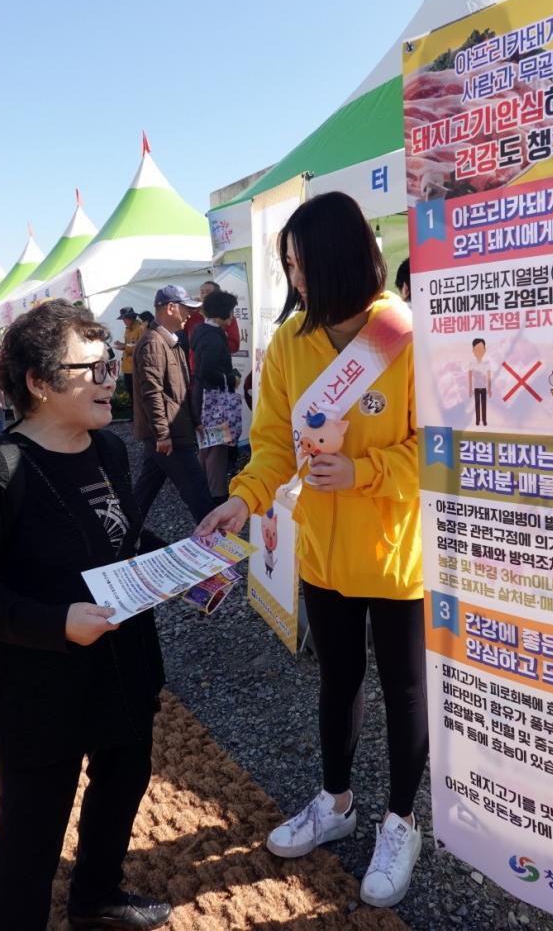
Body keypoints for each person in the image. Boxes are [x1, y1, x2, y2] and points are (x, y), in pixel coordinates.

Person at [196, 191, 427, 909]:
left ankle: (401, 821)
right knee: (337, 680)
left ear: (333, 261)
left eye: (297, 266)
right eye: (287, 266)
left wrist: (365, 471)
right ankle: (336, 802)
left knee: (405, 689)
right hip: (322, 556)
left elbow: (444, 450)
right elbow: (271, 444)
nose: (293, 280)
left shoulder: (408, 335)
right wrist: (245, 496)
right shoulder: (291, 343)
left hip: (396, 557)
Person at [0, 299, 170, 931]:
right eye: (90, 367)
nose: (109, 379)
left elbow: (121, 541)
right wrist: (58, 623)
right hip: (41, 687)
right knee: (30, 836)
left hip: (124, 665)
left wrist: (191, 563)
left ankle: (96, 894)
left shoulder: (109, 450)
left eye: (110, 362)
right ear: (38, 382)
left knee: (121, 786)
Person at [132, 284, 213, 525]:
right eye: (186, 309)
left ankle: (122, 538)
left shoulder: (169, 341)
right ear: (170, 307)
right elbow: (151, 392)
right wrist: (163, 433)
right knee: (197, 490)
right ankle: (218, 546)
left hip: (171, 432)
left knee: (145, 492)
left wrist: (195, 421)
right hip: (170, 435)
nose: (189, 315)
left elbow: (180, 390)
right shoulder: (154, 343)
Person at [190, 289, 240, 509]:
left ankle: (202, 489)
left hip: (203, 397)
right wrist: (231, 379)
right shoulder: (213, 337)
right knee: (217, 448)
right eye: (230, 311)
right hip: (214, 400)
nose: (232, 316)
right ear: (222, 312)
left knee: (206, 446)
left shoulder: (201, 332)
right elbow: (208, 370)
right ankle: (216, 495)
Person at [113, 307, 143, 413]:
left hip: (136, 367)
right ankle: (135, 414)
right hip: (127, 367)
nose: (124, 322)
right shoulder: (127, 329)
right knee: (131, 392)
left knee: (138, 393)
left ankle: (141, 415)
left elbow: (139, 346)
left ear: (132, 317)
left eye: (125, 319)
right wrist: (121, 344)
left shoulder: (140, 328)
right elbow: (129, 344)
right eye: (123, 319)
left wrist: (123, 346)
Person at [468, 337, 492, 426]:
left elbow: (489, 376)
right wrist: (470, 388)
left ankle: (484, 420)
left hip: (484, 388)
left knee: (484, 405)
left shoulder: (487, 363)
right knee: (477, 405)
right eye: (477, 349)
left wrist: (489, 389)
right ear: (473, 350)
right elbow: (470, 376)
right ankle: (478, 420)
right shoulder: (472, 363)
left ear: (485, 350)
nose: (479, 351)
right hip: (476, 388)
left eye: (481, 349)